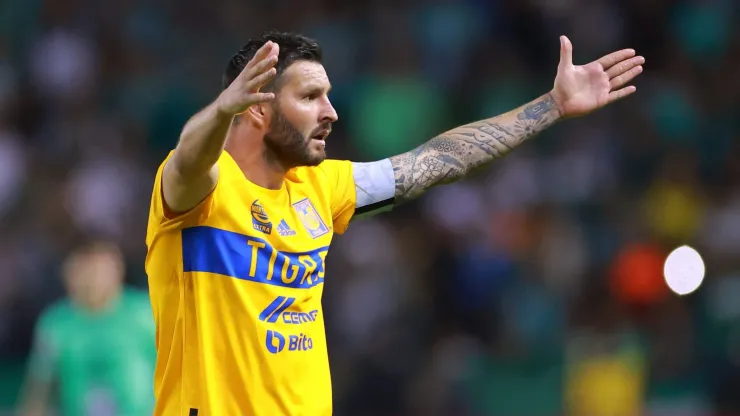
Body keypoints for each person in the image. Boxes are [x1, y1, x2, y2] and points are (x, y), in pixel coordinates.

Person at [144, 30, 644, 415]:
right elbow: (189, 158)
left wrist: (552, 105)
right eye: (310, 97)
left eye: (328, 95)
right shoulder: (199, 192)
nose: (331, 112)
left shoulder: (322, 188)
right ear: (256, 107)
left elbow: (438, 161)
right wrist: (219, 111)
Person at [18, 241, 156, 416]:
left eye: (100, 271)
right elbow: (39, 388)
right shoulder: (56, 323)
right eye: (85, 270)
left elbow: (178, 372)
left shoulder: (145, 313)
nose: (93, 279)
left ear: (118, 271)